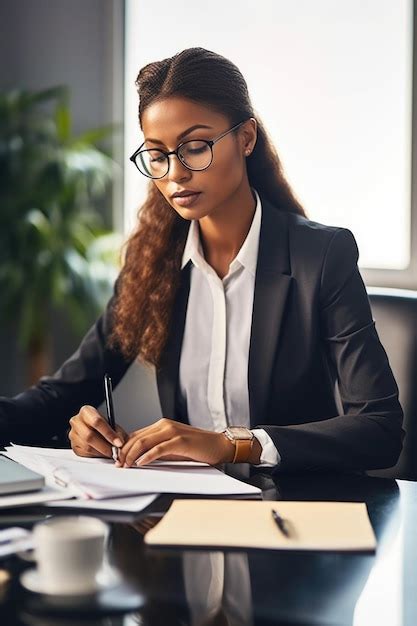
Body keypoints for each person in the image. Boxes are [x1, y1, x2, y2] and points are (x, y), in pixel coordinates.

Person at [0, 47, 404, 472]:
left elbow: (379, 429)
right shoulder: (151, 265)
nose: (175, 173)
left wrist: (231, 444)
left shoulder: (321, 257)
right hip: (185, 514)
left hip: (293, 513)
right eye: (157, 155)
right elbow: (55, 399)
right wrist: (80, 429)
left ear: (246, 138)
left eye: (194, 147)